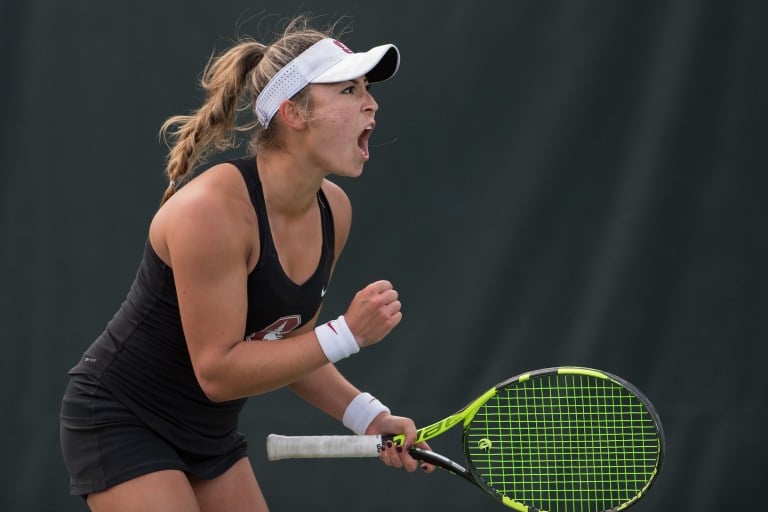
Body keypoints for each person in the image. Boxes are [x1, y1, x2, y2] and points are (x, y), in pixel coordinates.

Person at [60, 15, 433, 511]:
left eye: (366, 88)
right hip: (121, 418)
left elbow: (290, 348)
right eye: (347, 90)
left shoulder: (334, 210)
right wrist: (349, 334)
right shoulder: (210, 213)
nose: (371, 102)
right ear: (293, 114)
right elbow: (218, 373)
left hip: (207, 432)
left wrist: (368, 416)